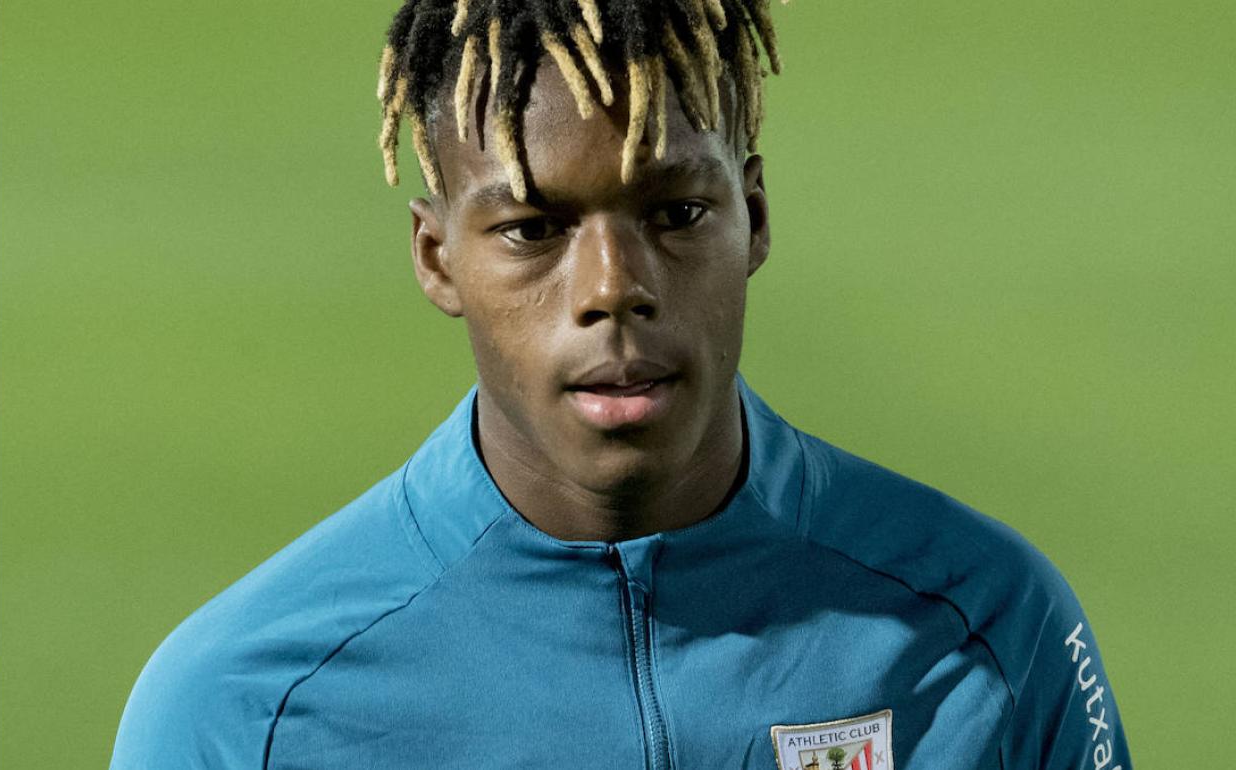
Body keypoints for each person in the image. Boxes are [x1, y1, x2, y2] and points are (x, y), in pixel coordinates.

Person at [110, 1, 1132, 768]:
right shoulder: (247, 710)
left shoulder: (984, 627)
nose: (612, 289)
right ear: (437, 258)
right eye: (532, 229)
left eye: (676, 213)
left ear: (754, 218)